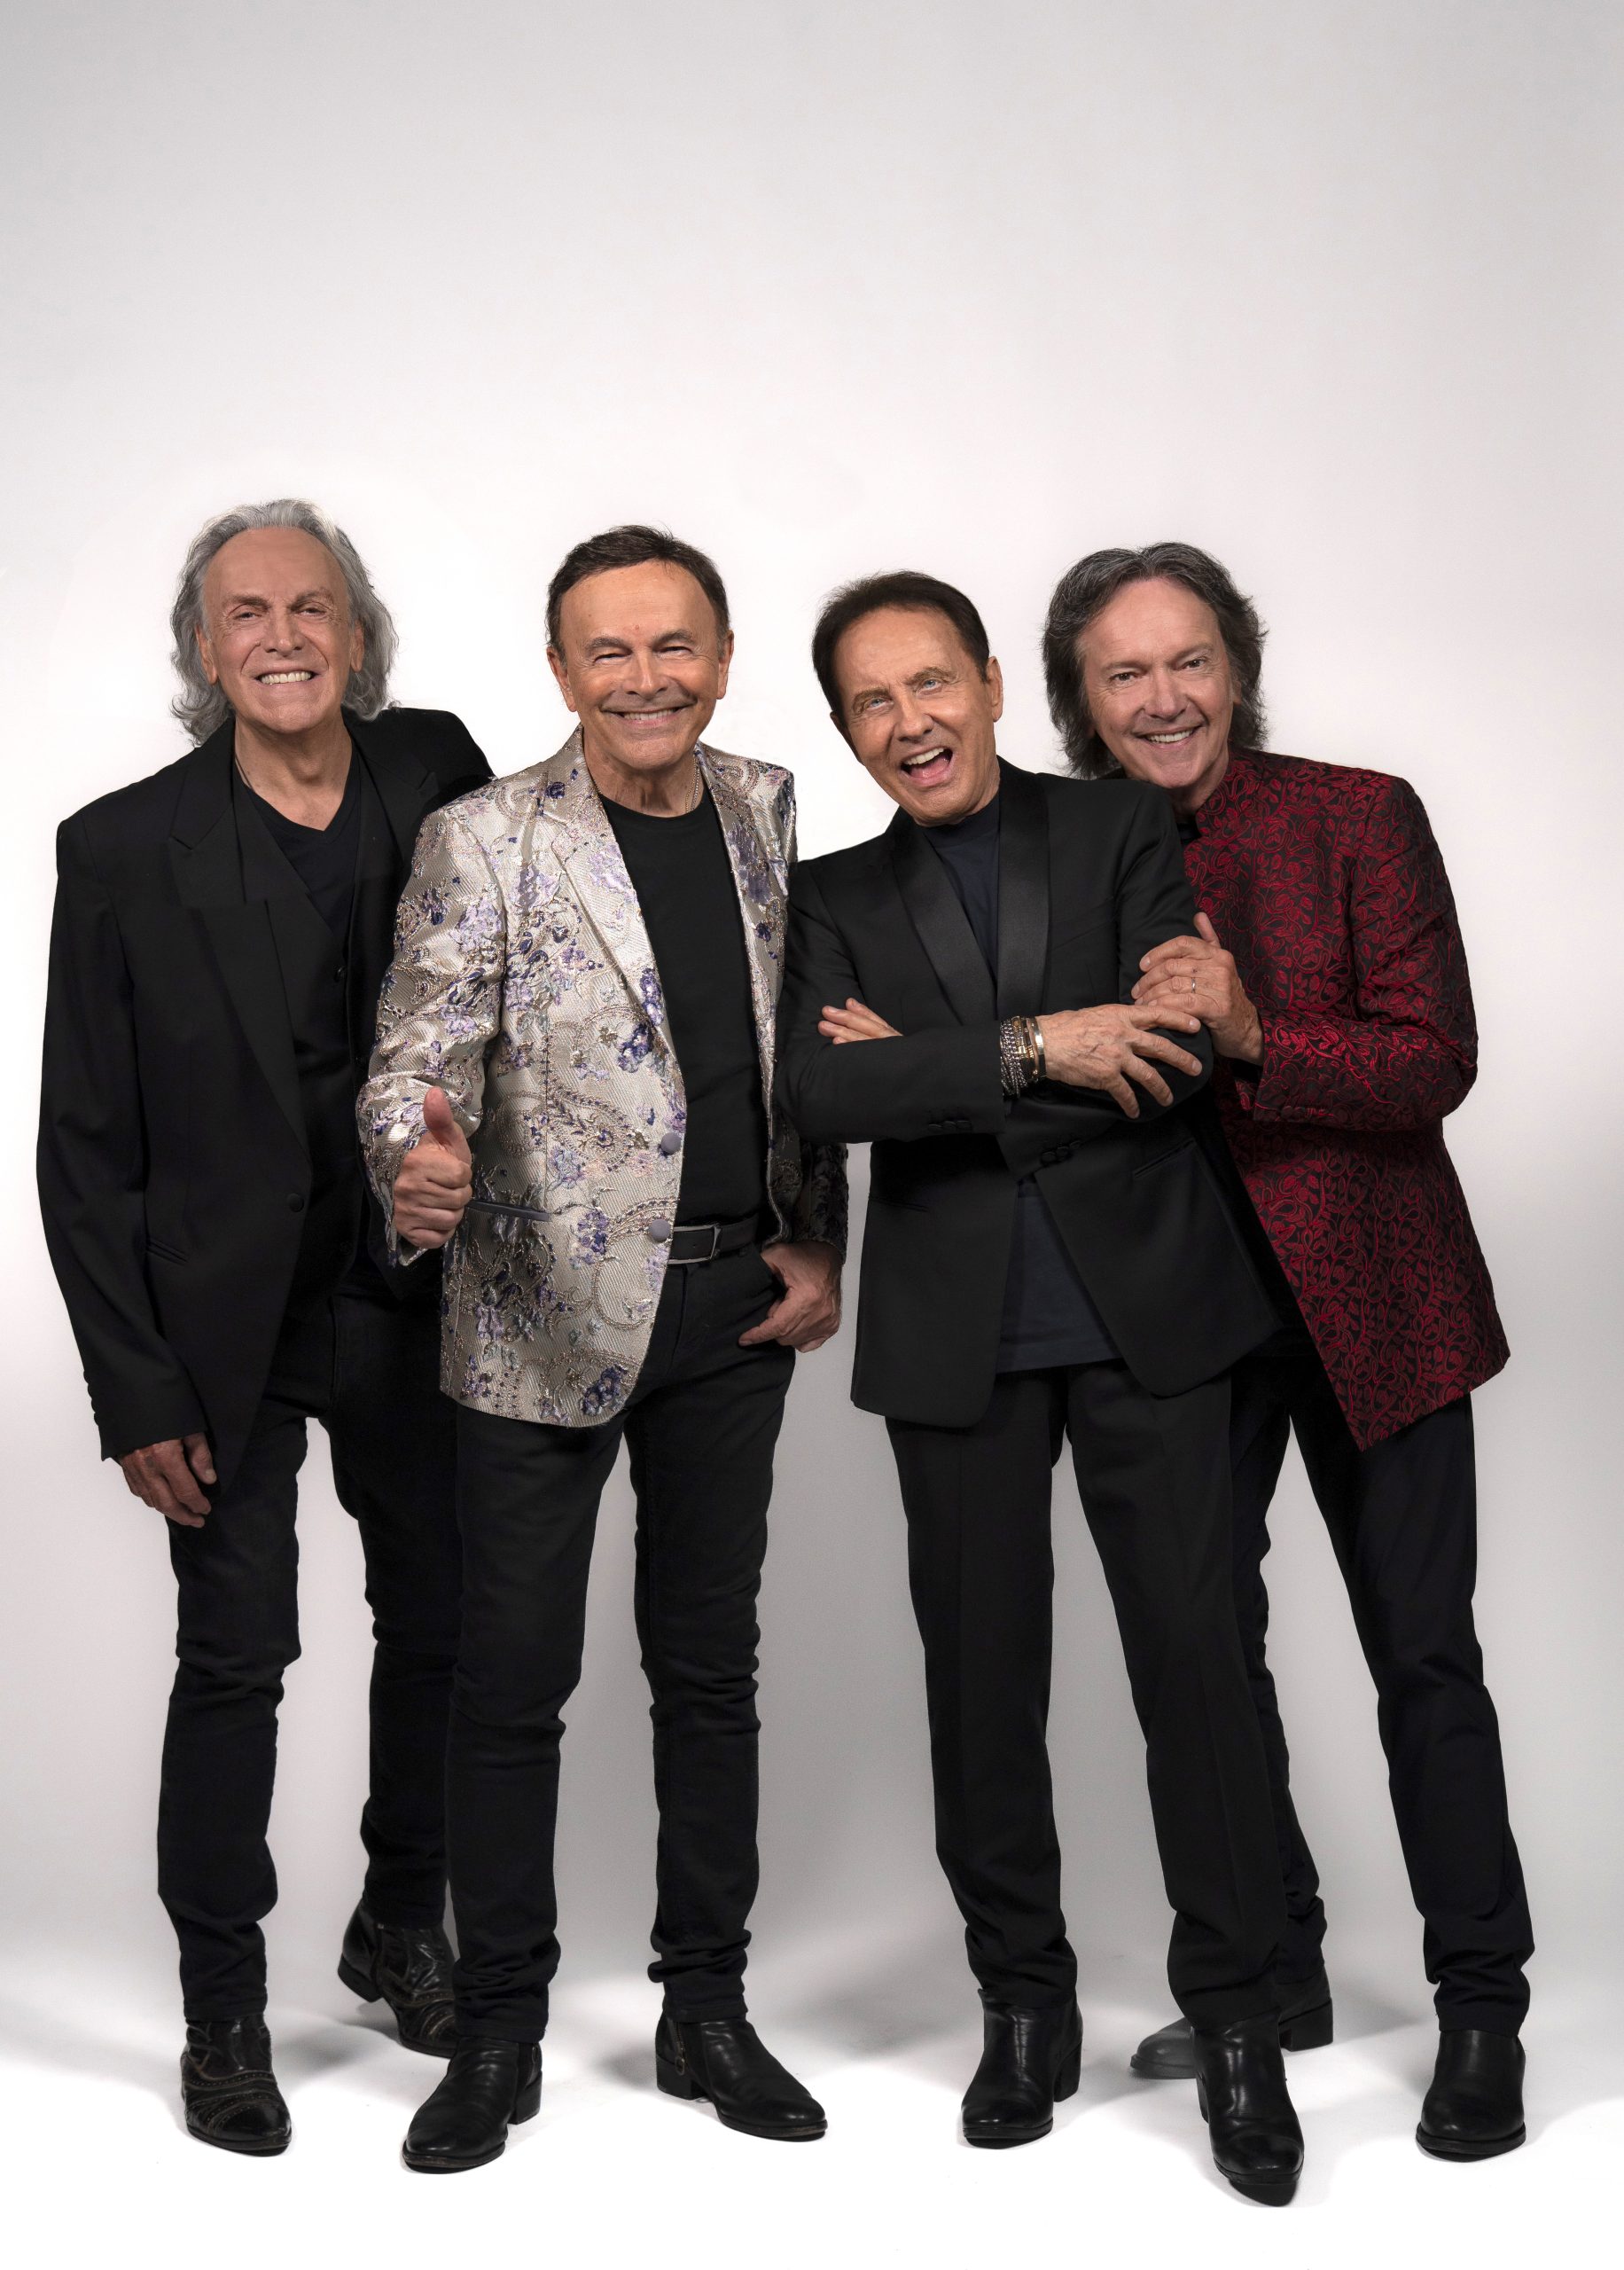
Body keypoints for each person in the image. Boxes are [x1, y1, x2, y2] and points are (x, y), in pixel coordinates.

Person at [776, 571, 1304, 2205]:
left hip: (1152, 1314)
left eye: (932, 683)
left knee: (1197, 1671)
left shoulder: (1118, 827)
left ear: (994, 683)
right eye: (872, 701)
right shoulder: (829, 893)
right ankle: (1025, 2006)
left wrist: (927, 1067)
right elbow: (818, 1093)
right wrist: (1037, 1048)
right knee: (980, 1684)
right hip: (958, 1340)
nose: (910, 722)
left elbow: (1175, 1050)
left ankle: (1242, 2026)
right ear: (846, 729)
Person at [359, 524, 847, 2174]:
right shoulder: (484, 837)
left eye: (674, 645)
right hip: (532, 1309)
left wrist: (819, 1235)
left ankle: (706, 2007)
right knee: (512, 1684)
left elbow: (800, 1052)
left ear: (724, 656)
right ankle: (498, 2026)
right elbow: (414, 1059)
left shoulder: (770, 806)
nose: (646, 678)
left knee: (710, 1676)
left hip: (731, 1311)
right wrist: (415, 1156)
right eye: (610, 651)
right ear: (562, 671)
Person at [1041, 541, 1530, 2161]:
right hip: (1182, 1323)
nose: (1162, 698)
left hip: (1382, 1303)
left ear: (1236, 667)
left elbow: (1433, 1059)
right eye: (1125, 672)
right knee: (1208, 1662)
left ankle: (1483, 2008)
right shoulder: (1068, 851)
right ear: (1082, 700)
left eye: (1188, 660)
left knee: (1424, 1660)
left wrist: (1255, 1034)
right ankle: (1278, 1972)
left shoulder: (1357, 813)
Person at [37, 500, 492, 2154]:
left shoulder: (437, 767)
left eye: (312, 607)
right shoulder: (121, 848)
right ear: (202, 647)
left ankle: (401, 1925)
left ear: (358, 636)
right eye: (247, 613)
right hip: (218, 1324)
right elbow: (82, 1144)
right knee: (239, 1659)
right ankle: (221, 2007)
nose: (283, 637)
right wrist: (133, 1387)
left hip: (414, 1288)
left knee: (442, 1628)